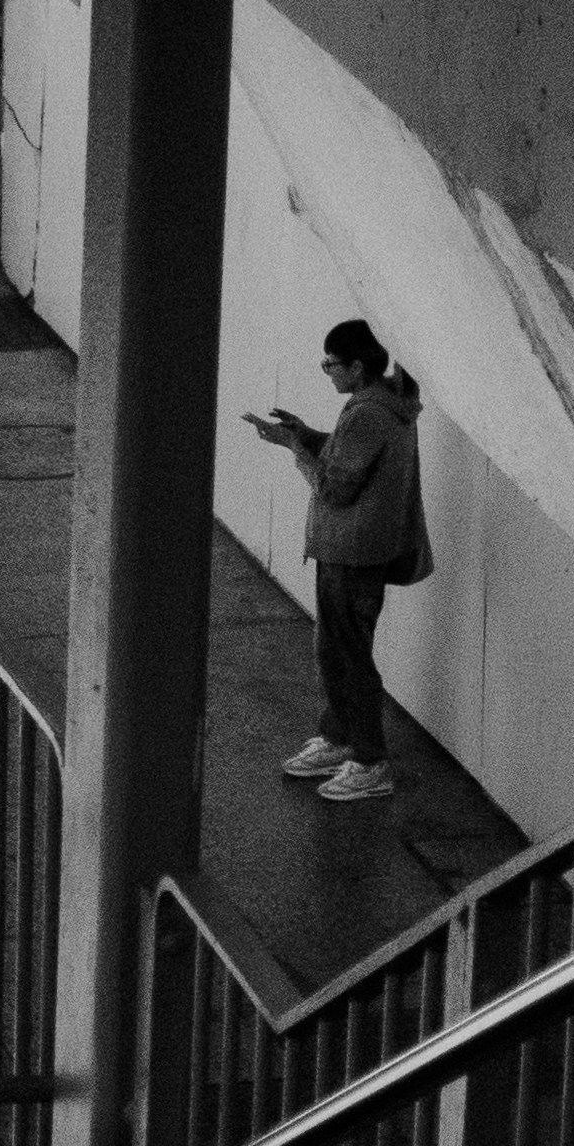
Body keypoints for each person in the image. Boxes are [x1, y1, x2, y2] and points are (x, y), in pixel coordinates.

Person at [247, 322, 434, 807]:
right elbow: (349, 454)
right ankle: (340, 736)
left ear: (357, 366)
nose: (326, 371)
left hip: (350, 554)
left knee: (348, 656)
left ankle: (370, 761)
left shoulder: (368, 414)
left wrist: (295, 450)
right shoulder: (383, 406)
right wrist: (304, 433)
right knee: (337, 651)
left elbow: (334, 487)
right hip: (356, 552)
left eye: (331, 363)